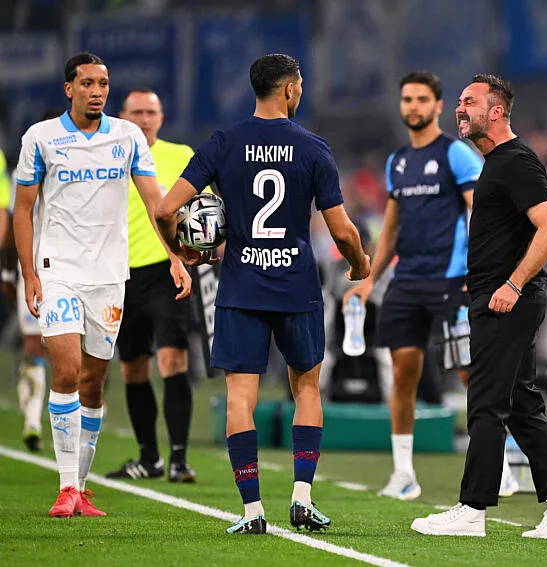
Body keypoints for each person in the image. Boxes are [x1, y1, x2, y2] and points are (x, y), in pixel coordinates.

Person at [155, 53, 370, 535]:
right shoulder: (313, 147)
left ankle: (252, 511)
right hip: (295, 285)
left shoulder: (224, 143)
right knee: (307, 387)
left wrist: (185, 251)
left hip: (241, 285)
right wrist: (359, 263)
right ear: (290, 89)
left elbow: (167, 209)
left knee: (239, 396)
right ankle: (302, 499)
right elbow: (342, 230)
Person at [411, 74, 547, 538]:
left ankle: (472, 510)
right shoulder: (495, 162)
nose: (459, 108)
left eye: (469, 101)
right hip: (500, 297)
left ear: (496, 111)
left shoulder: (516, 162)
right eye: (459, 101)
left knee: (486, 404)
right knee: (520, 404)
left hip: (508, 300)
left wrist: (511, 284)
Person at [14, 52, 191, 518]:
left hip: (110, 276)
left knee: (94, 383)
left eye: (104, 83)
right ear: (68, 88)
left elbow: (156, 203)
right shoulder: (41, 138)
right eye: (88, 83)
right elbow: (22, 209)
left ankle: (82, 488)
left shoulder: (128, 136)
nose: (97, 91)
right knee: (67, 371)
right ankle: (66, 486)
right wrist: (31, 273)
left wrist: (174, 256)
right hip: (59, 272)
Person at [342, 70, 518, 500]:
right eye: (407, 99)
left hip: (452, 280)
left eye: (422, 99)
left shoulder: (456, 155)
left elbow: (485, 212)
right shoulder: (397, 162)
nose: (413, 106)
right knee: (402, 376)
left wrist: (483, 269)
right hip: (407, 281)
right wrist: (368, 279)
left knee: (469, 374)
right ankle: (404, 473)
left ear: (438, 106)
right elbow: (392, 228)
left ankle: (501, 467)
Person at [105, 88, 198, 483]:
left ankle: (178, 460)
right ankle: (149, 458)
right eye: (137, 112)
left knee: (173, 360)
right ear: (123, 116)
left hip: (166, 270)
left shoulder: (182, 156)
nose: (144, 119)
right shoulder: (106, 154)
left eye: (151, 112)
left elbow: (203, 212)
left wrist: (195, 254)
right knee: (133, 368)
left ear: (161, 117)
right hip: (117, 273)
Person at [1, 108, 65, 453]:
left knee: (57, 348)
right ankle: (32, 420)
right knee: (37, 345)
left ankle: (45, 418)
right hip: (37, 267)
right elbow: (14, 223)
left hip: (72, 267)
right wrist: (12, 270)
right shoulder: (24, 170)